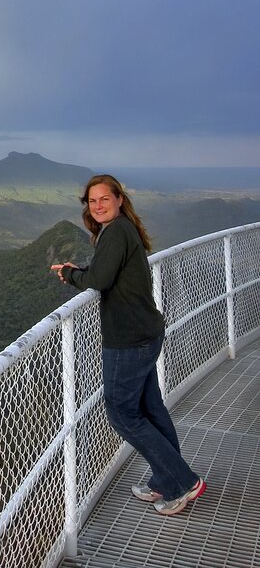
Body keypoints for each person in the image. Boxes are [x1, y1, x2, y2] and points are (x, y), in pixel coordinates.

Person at [50, 173, 205, 516]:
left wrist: (72, 274)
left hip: (129, 339)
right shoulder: (120, 231)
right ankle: (166, 480)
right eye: (93, 201)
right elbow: (107, 270)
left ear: (119, 199)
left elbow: (100, 280)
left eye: (105, 198)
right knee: (150, 408)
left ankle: (182, 482)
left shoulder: (117, 230)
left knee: (121, 413)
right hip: (145, 332)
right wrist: (84, 269)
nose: (98, 205)